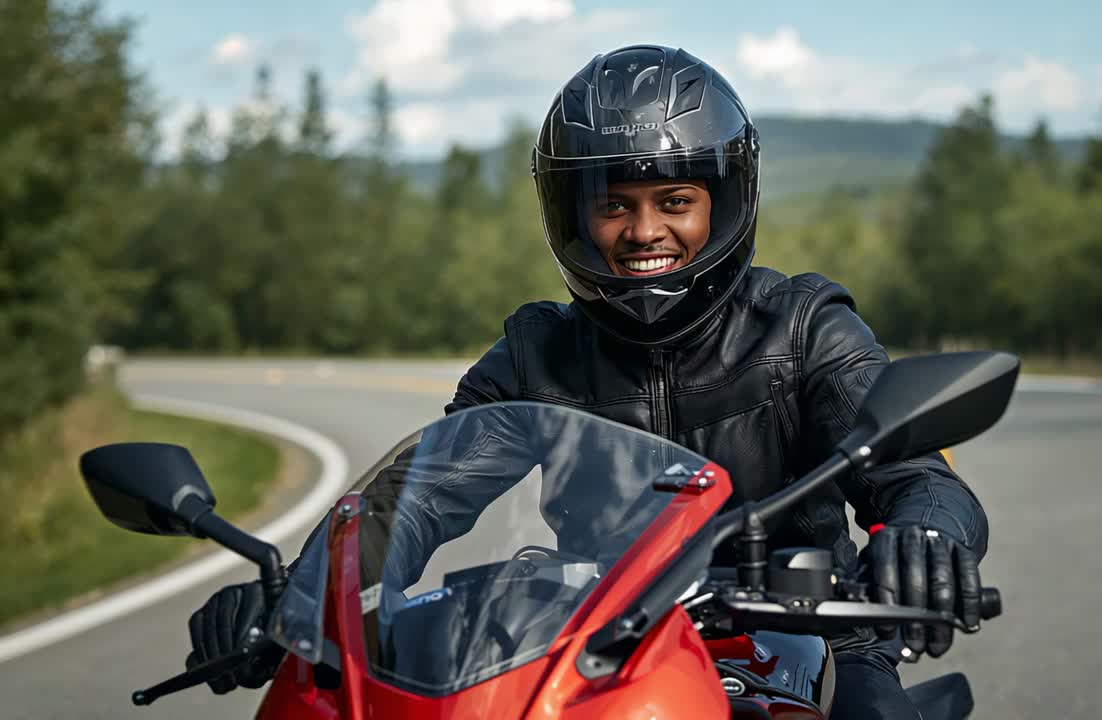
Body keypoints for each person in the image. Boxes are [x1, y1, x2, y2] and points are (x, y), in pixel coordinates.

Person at [186, 45, 988, 719]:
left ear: (726, 202)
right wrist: (300, 596)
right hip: (591, 648)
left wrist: (927, 538)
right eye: (615, 204)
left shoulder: (805, 327)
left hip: (813, 636)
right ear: (575, 216)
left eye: (675, 200)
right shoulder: (537, 353)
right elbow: (422, 495)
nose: (644, 232)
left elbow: (916, 471)